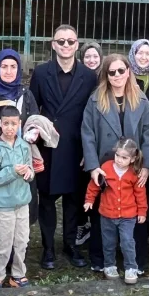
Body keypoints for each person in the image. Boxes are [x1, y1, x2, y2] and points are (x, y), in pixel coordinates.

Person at [29, 25, 98, 270]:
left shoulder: (90, 77)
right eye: (61, 41)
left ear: (77, 45)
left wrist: (90, 151)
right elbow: (32, 108)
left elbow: (94, 116)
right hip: (48, 147)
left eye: (70, 41)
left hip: (77, 148)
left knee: (74, 201)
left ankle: (71, 245)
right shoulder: (41, 72)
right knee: (47, 201)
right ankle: (48, 248)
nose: (66, 45)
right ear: (53, 44)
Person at [81, 54, 149, 273]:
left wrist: (146, 166)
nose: (117, 76)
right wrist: (93, 166)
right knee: (102, 215)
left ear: (128, 72)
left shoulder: (141, 100)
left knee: (135, 212)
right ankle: (101, 260)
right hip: (105, 166)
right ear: (106, 75)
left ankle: (137, 261)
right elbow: (87, 134)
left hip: (134, 165)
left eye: (121, 71)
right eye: (111, 72)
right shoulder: (95, 100)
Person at [0, 106, 35, 289]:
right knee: (4, 242)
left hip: (22, 202)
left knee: (22, 241)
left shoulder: (24, 145)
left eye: (14, 124)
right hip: (2, 204)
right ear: (0, 124)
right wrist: (12, 172)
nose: (10, 128)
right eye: (6, 124)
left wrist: (29, 172)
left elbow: (31, 169)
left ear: (19, 124)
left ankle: (18, 274)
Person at [83, 137, 147, 284]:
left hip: (128, 216)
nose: (119, 160)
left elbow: (140, 193)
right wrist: (89, 200)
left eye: (124, 157)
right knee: (108, 242)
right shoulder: (105, 167)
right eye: (117, 155)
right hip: (107, 214)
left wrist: (142, 211)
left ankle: (131, 267)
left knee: (127, 242)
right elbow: (95, 185)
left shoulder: (134, 172)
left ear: (132, 159)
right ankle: (109, 265)